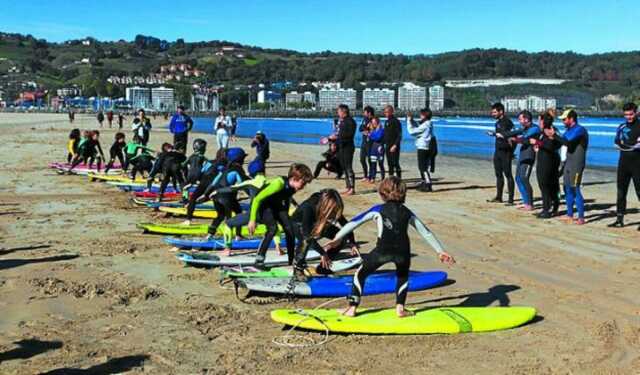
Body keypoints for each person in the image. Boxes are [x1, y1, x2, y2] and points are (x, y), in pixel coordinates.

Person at [324, 177, 455, 318]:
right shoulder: (407, 212)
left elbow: (353, 223)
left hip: (382, 250)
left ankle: (352, 308)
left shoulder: (378, 209)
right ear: (404, 193)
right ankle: (400, 309)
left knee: (360, 274)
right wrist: (440, 251)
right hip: (403, 252)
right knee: (402, 276)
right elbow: (425, 232)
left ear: (382, 193)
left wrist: (335, 239)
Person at [248, 163, 314, 267]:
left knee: (290, 229)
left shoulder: (293, 188)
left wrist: (286, 218)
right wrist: (252, 220)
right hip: (263, 206)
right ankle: (259, 260)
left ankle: (291, 260)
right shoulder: (279, 183)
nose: (304, 186)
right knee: (273, 228)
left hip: (276, 205)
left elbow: (286, 200)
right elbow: (257, 199)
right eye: (303, 183)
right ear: (294, 178)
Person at [291, 189, 358, 281]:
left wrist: (352, 242)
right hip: (299, 223)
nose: (333, 215)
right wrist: (322, 252)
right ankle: (298, 269)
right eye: (332, 212)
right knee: (305, 242)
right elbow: (307, 236)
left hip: (318, 222)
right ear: (327, 207)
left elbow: (346, 225)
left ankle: (323, 268)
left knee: (342, 237)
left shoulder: (331, 205)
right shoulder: (308, 207)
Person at [547, 109, 589, 225]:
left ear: (571, 119)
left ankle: (581, 217)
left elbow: (569, 142)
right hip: (569, 163)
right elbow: (560, 142)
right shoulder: (568, 131)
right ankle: (570, 215)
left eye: (564, 119)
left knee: (575, 188)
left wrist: (554, 135)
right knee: (566, 188)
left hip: (577, 163)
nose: (563, 122)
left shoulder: (580, 130)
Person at [497, 110, 541, 210]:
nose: (519, 121)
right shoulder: (525, 128)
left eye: (520, 119)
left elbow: (525, 138)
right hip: (522, 154)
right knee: (518, 178)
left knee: (524, 179)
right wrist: (502, 135)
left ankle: (529, 204)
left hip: (529, 155)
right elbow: (515, 132)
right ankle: (526, 202)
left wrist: (514, 139)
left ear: (526, 119)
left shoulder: (534, 128)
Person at [202, 148, 248, 240]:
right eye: (243, 158)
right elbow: (241, 183)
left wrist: (205, 194)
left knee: (220, 215)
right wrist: (249, 193)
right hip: (227, 197)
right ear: (239, 159)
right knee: (237, 214)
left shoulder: (224, 169)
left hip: (215, 195)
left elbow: (213, 183)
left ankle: (209, 235)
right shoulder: (238, 169)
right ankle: (237, 236)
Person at [608, 102, 640, 229]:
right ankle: (619, 219)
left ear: (636, 112)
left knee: (639, 192)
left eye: (631, 114)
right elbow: (616, 141)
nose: (628, 117)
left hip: (638, 164)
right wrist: (619, 144)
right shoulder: (621, 126)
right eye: (626, 114)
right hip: (623, 163)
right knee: (621, 192)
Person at [532, 112, 562, 218]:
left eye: (539, 120)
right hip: (545, 159)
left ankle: (547, 209)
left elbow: (555, 145)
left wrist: (539, 143)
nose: (538, 123)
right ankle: (550, 208)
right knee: (548, 185)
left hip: (549, 161)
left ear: (544, 121)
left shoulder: (551, 131)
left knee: (546, 185)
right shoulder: (543, 132)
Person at [487, 102, 515, 204]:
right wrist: (494, 134)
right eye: (492, 112)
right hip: (498, 151)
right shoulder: (497, 122)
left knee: (508, 174)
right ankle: (499, 197)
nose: (492, 114)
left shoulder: (508, 122)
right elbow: (500, 135)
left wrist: (512, 152)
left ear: (501, 111)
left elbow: (512, 137)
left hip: (506, 152)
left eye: (494, 112)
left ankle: (511, 199)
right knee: (498, 174)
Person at [329, 104, 356, 195]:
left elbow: (348, 135)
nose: (338, 113)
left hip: (348, 147)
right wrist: (334, 143)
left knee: (348, 168)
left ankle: (352, 188)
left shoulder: (350, 122)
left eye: (339, 111)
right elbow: (339, 134)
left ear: (343, 111)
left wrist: (335, 137)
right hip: (341, 147)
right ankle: (348, 186)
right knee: (344, 168)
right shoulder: (342, 121)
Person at [407, 108, 436, 192]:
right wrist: (412, 120)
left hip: (423, 147)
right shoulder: (428, 124)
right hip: (426, 147)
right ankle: (424, 182)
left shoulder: (426, 124)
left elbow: (412, 132)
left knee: (423, 167)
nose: (420, 116)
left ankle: (428, 183)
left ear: (425, 115)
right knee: (422, 167)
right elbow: (419, 126)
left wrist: (409, 121)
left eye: (421, 114)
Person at [383, 105, 402, 179]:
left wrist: (395, 145)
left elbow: (399, 135)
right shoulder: (386, 121)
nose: (385, 113)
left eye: (387, 112)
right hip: (387, 145)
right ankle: (391, 179)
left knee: (395, 163)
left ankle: (399, 179)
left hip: (394, 146)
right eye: (385, 112)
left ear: (391, 112)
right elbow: (385, 134)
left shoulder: (396, 121)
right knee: (389, 164)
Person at [367, 117, 385, 183]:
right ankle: (372, 177)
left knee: (380, 164)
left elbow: (378, 138)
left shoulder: (382, 130)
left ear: (378, 122)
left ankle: (383, 178)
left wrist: (370, 134)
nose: (373, 124)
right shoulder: (373, 130)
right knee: (373, 164)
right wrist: (370, 133)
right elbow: (371, 138)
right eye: (372, 122)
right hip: (373, 148)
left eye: (375, 122)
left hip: (380, 148)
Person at [359, 106, 374, 182]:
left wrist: (367, 130)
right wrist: (365, 129)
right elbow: (360, 128)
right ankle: (365, 175)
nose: (363, 113)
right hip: (364, 142)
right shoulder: (364, 119)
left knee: (370, 160)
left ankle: (371, 176)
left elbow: (374, 130)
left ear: (369, 113)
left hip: (370, 143)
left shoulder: (374, 120)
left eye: (365, 112)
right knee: (362, 159)